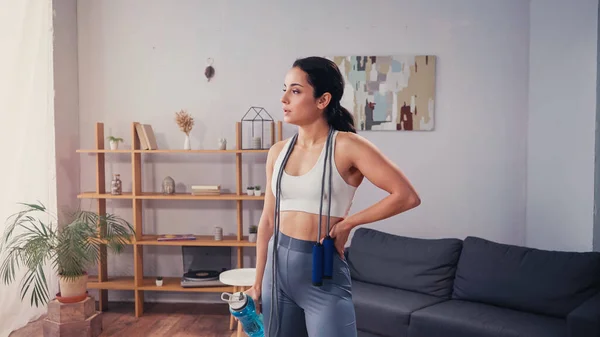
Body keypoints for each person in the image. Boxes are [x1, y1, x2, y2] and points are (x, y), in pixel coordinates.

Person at [244, 56, 421, 337]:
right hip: (275, 275)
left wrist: (348, 224)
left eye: (296, 90)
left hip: (322, 276)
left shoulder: (347, 146)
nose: (284, 98)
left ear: (323, 100)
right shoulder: (278, 151)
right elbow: (267, 221)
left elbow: (406, 196)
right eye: (285, 88)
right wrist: (257, 281)